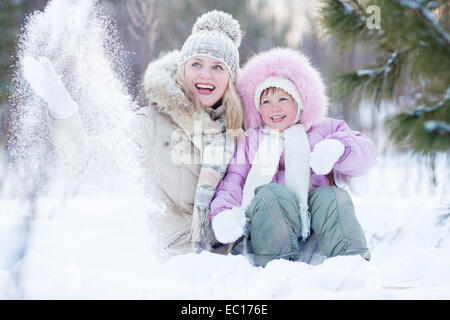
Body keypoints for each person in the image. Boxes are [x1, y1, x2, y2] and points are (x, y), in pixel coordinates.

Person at [23, 10, 245, 257]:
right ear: (183, 70)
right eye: (196, 64)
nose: (206, 74)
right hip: (177, 264)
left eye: (217, 66)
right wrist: (64, 112)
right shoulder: (152, 122)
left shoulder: (246, 129)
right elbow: (85, 163)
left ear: (231, 78)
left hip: (237, 264)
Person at [209, 48, 377, 267]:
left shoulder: (322, 128)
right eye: (266, 102)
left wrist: (339, 148)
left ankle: (351, 259)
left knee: (332, 197)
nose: (274, 107)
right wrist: (224, 212)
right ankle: (277, 263)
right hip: (270, 221)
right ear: (258, 108)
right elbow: (235, 178)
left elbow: (364, 150)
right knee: (271, 193)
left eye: (282, 99)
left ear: (298, 101)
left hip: (314, 218)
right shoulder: (252, 140)